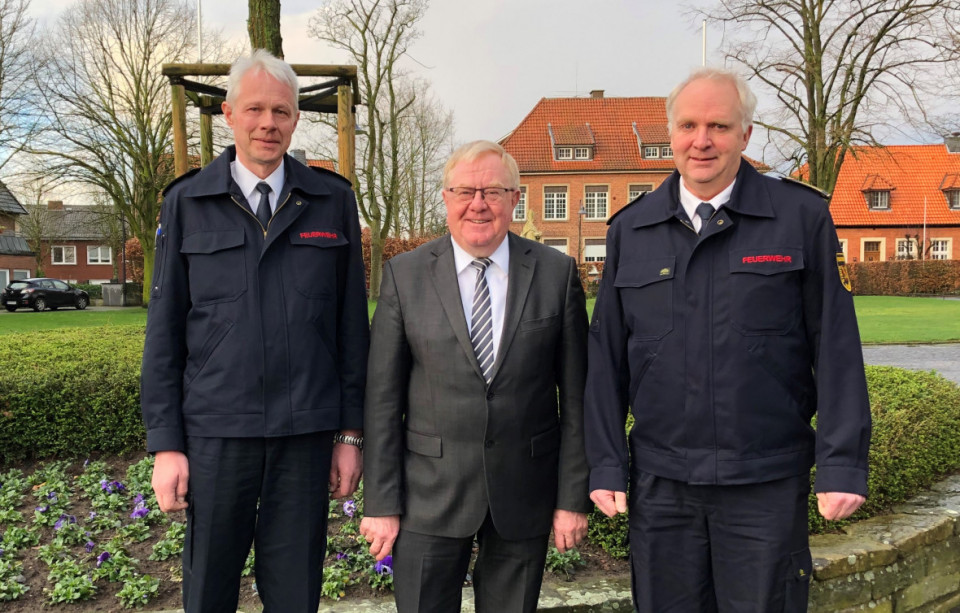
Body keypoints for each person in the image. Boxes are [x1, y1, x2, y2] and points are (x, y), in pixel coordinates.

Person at [585, 67, 872, 613]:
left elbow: (835, 347)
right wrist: (604, 463)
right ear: (669, 133)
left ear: (745, 134)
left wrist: (842, 465)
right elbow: (606, 362)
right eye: (688, 125)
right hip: (662, 485)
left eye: (719, 125)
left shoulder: (801, 217)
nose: (702, 140)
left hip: (763, 482)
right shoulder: (631, 228)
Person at [140, 49, 369, 613]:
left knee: (295, 595)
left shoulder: (332, 200)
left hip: (306, 435)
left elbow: (350, 331)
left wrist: (349, 434)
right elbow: (164, 334)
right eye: (256, 109)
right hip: (218, 434)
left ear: (296, 119)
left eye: (282, 112)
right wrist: (166, 445)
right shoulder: (187, 202)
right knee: (208, 592)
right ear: (228, 113)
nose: (269, 123)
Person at [359, 140, 590, 613]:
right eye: (465, 191)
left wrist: (572, 499)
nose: (478, 204)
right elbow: (381, 401)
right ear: (445, 197)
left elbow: (578, 399)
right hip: (428, 495)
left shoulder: (556, 274)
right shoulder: (404, 277)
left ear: (515, 199)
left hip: (523, 493)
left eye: (493, 191)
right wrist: (381, 505)